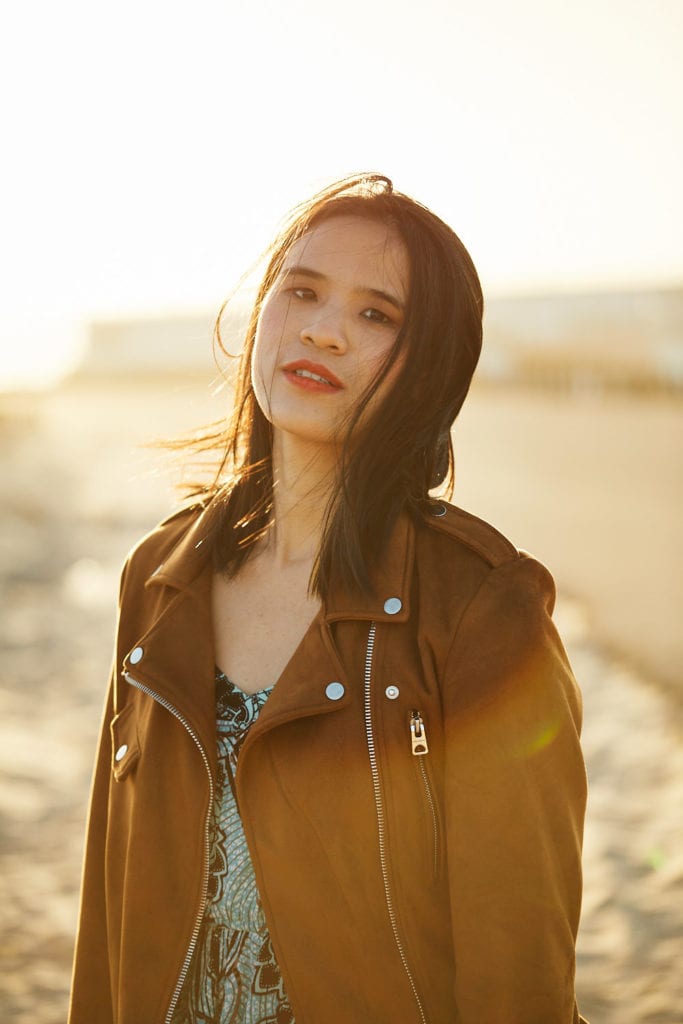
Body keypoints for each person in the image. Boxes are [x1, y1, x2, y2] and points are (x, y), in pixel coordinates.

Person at [68, 173, 588, 1024]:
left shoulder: (481, 606)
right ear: (262, 313)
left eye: (375, 314)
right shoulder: (161, 576)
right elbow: (108, 896)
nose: (322, 330)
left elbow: (517, 957)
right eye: (301, 291)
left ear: (428, 367)